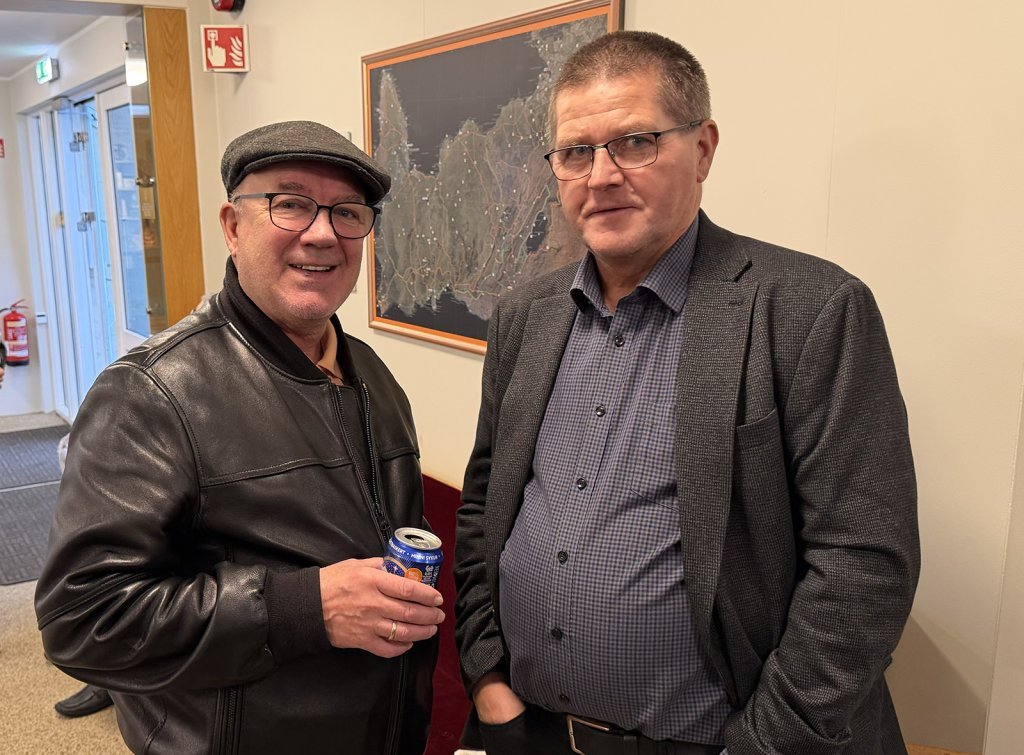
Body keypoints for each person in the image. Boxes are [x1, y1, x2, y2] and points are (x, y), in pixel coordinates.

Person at [454, 31, 919, 755]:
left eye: (634, 142)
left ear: (702, 149)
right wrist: (489, 682)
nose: (600, 176)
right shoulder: (525, 316)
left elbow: (863, 565)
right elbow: (484, 506)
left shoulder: (811, 309)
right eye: (576, 152)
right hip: (527, 730)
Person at [35, 121, 445, 754]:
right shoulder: (152, 392)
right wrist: (307, 608)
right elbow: (82, 619)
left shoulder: (372, 375)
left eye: (347, 212)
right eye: (291, 204)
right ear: (232, 226)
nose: (322, 233)